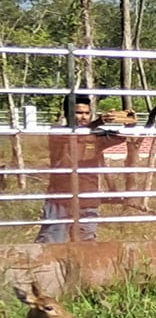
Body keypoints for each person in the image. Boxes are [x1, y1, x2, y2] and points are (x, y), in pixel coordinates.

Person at [35, 97, 128, 243]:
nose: (83, 116)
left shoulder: (96, 135)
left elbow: (123, 137)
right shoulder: (58, 132)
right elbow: (74, 136)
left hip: (87, 199)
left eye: (87, 113)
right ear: (67, 113)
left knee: (86, 246)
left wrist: (129, 123)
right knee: (51, 242)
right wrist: (97, 123)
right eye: (78, 112)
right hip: (60, 200)